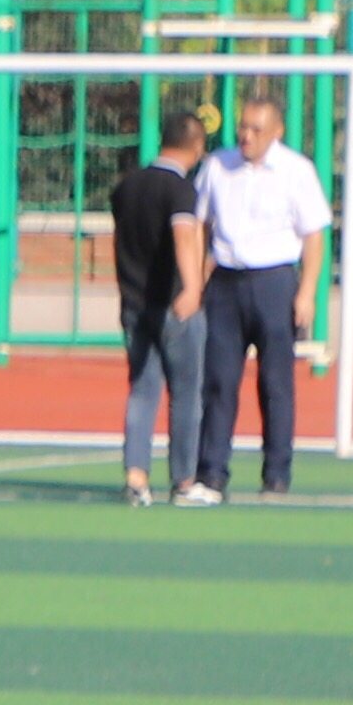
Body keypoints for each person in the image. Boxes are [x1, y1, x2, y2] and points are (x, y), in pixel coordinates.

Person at [184, 90, 329, 502]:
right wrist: (197, 279)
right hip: (226, 285)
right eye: (242, 127)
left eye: (256, 129)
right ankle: (211, 473)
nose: (246, 136)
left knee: (275, 384)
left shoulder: (296, 171)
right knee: (218, 382)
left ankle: (277, 474)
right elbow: (200, 225)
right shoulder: (217, 166)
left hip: (274, 283)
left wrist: (306, 293)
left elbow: (313, 235)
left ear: (277, 132)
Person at [111, 103, 215, 509]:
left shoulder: (127, 187)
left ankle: (136, 478)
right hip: (174, 307)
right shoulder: (180, 189)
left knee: (142, 390)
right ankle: (184, 481)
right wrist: (192, 287)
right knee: (187, 394)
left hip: (134, 305)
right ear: (196, 146)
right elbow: (184, 236)